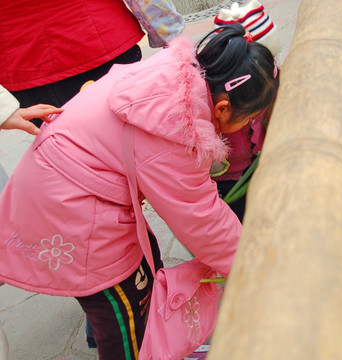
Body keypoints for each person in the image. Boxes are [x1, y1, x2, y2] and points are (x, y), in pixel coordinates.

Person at [0, 23, 279, 360]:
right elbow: (202, 219)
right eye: (248, 119)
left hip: (68, 191)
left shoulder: (175, 77)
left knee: (145, 274)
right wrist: (257, 270)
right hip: (71, 214)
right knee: (123, 311)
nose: (247, 126)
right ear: (222, 108)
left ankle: (157, 344)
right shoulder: (177, 127)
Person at [0, 0, 184, 127]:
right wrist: (171, 36)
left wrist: (4, 109)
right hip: (102, 42)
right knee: (143, 137)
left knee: (71, 157)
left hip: (26, 63)